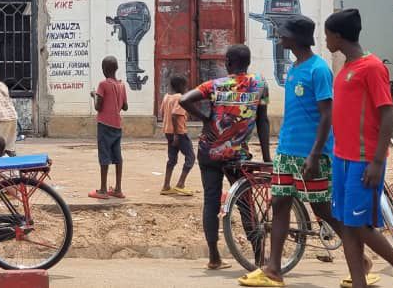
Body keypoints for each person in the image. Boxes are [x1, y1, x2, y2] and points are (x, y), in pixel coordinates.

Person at [241, 14, 377, 287]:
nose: (280, 38)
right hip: (287, 151)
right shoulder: (294, 68)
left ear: (298, 38)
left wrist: (315, 154)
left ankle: (360, 261)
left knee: (323, 209)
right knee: (279, 203)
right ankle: (274, 269)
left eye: (284, 34)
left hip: (312, 154)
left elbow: (327, 115)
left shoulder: (319, 70)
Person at [323, 9, 393, 288]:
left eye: (328, 35)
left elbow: (387, 113)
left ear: (338, 36)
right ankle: (359, 282)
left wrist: (378, 161)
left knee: (359, 225)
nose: (326, 40)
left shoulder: (372, 67)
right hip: (341, 158)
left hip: (364, 161)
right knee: (346, 225)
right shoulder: (346, 68)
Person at [180, 44, 270, 271]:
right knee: (246, 203)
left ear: (227, 62)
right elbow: (262, 121)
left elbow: (184, 100)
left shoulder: (215, 85)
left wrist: (205, 119)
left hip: (209, 152)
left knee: (210, 202)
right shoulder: (259, 84)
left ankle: (214, 257)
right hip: (237, 156)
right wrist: (267, 156)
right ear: (248, 62)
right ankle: (260, 259)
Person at [89, 56, 128, 200]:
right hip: (117, 125)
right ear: (116, 69)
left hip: (105, 125)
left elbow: (98, 107)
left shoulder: (102, 84)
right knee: (117, 156)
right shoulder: (121, 85)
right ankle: (118, 188)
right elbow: (125, 106)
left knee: (104, 156)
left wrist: (94, 96)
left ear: (104, 70)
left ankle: (103, 189)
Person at [160, 74, 194, 196]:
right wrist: (176, 135)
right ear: (180, 86)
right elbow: (175, 115)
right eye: (185, 86)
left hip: (167, 131)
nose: (186, 89)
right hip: (179, 133)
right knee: (190, 157)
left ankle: (166, 186)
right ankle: (180, 184)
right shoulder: (180, 98)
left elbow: (162, 112)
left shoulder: (166, 97)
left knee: (172, 159)